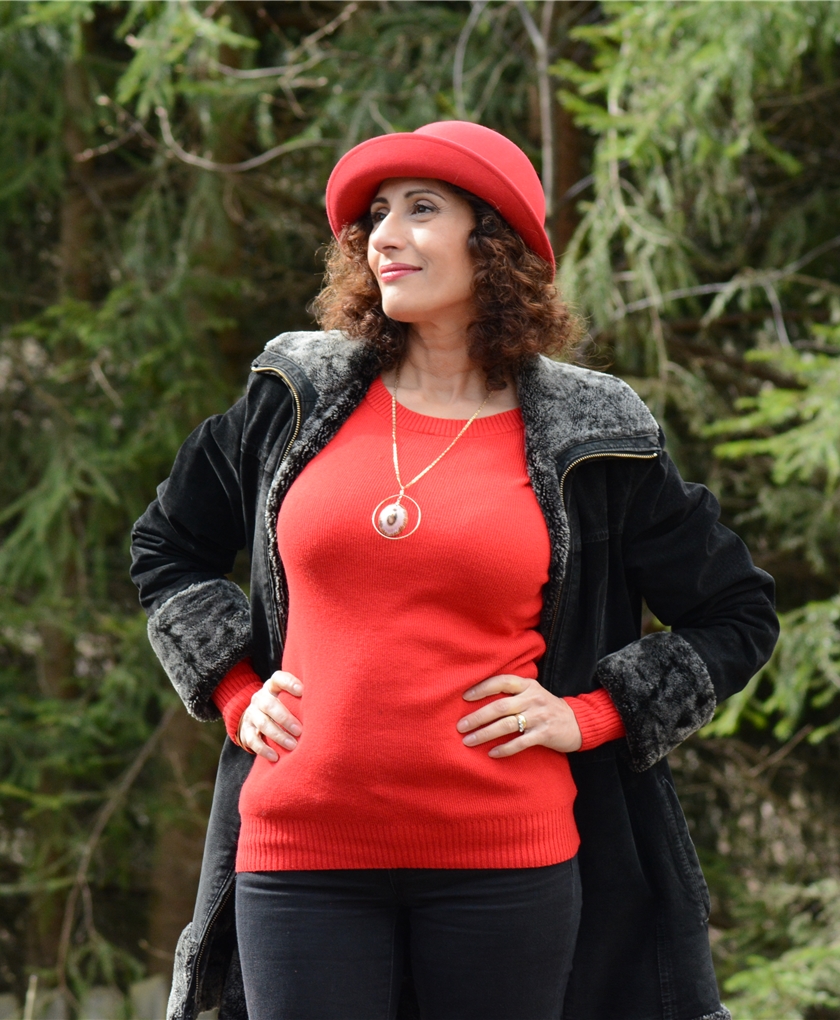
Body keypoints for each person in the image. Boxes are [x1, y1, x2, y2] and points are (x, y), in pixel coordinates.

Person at [131, 121, 779, 1020]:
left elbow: (736, 611)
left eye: (422, 209)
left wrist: (590, 715)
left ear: (495, 243)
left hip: (506, 867)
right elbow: (166, 547)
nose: (385, 237)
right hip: (298, 856)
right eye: (377, 215)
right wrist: (236, 691)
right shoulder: (295, 394)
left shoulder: (595, 433)